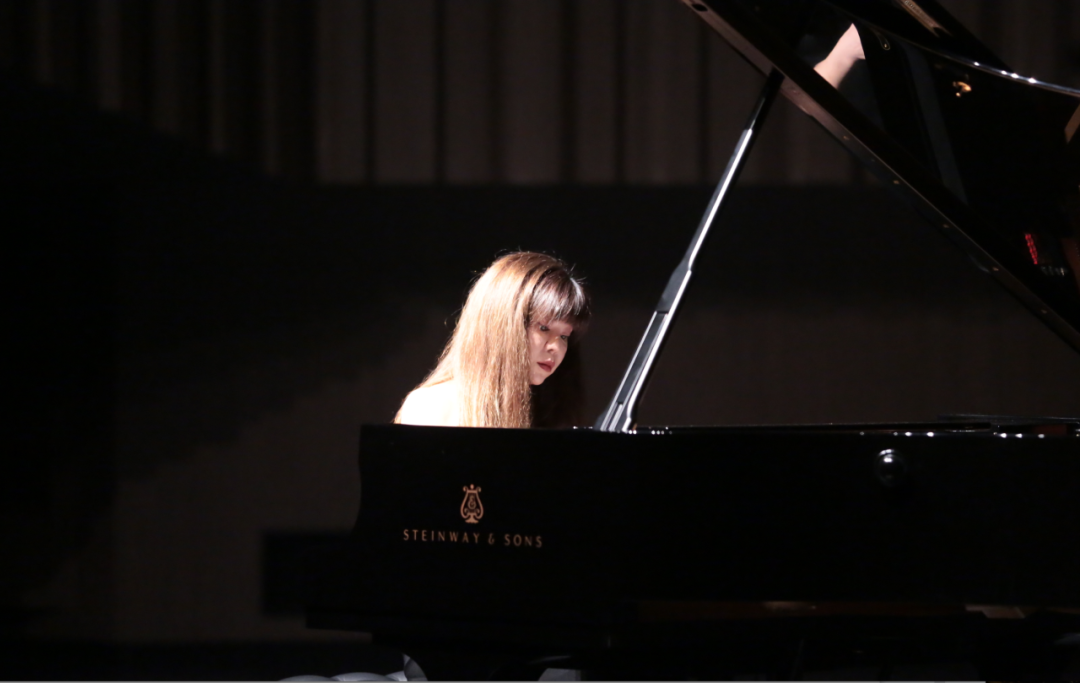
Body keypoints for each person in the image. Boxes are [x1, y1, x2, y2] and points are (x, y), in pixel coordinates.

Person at [394, 251, 590, 428]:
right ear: (503, 324)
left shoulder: (549, 413)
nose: (556, 347)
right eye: (543, 328)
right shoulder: (434, 405)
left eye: (564, 336)